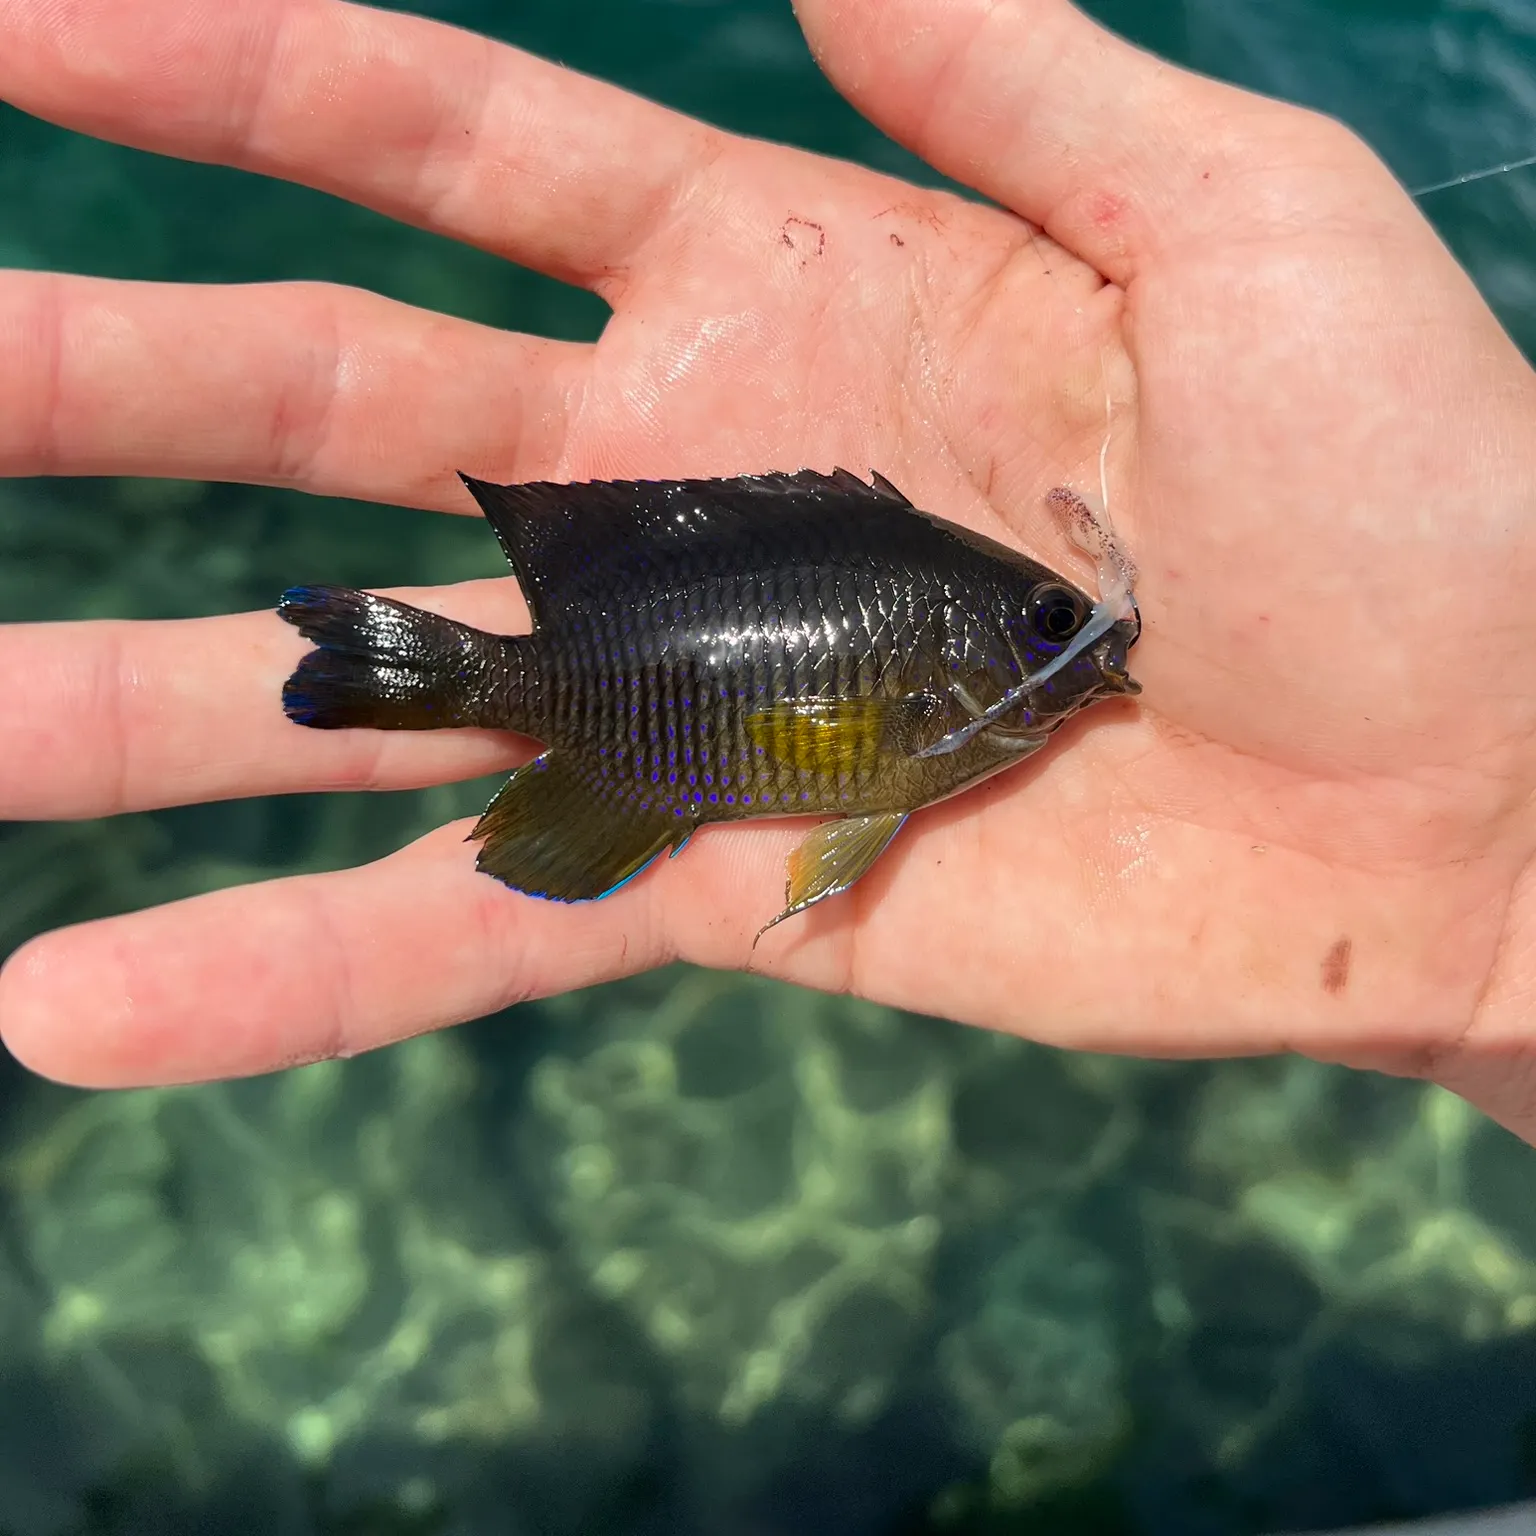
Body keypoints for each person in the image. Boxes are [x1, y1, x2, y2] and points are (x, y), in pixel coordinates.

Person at [2, 0, 1535, 1145]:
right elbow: (874, 774)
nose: (1088, 646)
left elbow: (870, 774)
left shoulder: (980, 697)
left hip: (633, 720)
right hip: (618, 707)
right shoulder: (970, 691)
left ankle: (407, 671)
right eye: (1058, 619)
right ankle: (419, 672)